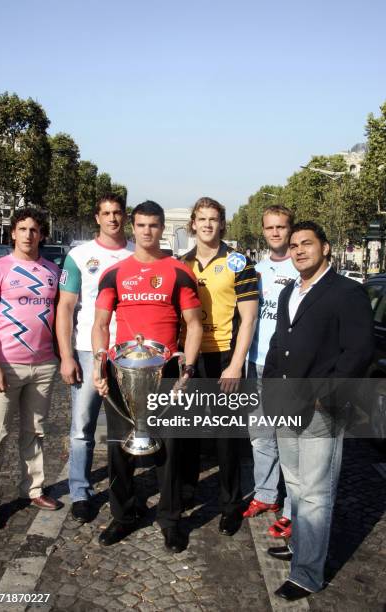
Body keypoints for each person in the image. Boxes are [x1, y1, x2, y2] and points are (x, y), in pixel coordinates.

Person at [264, 221, 374, 601]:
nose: (298, 250)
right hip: (286, 405)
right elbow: (279, 344)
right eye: (293, 245)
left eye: (306, 244)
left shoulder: (348, 292)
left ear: (326, 248)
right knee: (294, 486)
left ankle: (307, 574)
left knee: (315, 492)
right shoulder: (288, 292)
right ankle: (300, 548)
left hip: (321, 409)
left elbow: (359, 351)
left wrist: (322, 397)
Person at [92, 200, 202, 552]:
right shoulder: (114, 273)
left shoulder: (178, 271)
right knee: (118, 450)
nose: (147, 231)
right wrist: (99, 365)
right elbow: (99, 325)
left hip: (166, 372)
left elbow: (195, 324)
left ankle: (170, 521)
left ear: (161, 227)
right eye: (141, 225)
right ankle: (122, 515)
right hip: (123, 370)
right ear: (132, 227)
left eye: (154, 225)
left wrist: (188, 368)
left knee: (169, 448)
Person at [0, 207, 61, 530]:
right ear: (13, 233)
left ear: (42, 235)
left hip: (43, 365)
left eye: (35, 229)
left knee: (35, 432)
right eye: (23, 228)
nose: (29, 234)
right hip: (6, 365)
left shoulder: (53, 270)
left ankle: (34, 488)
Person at [180, 197, 258, 536]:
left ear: (222, 224)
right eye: (202, 219)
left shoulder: (239, 262)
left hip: (226, 357)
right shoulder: (180, 264)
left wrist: (237, 364)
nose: (208, 225)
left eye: (214, 219)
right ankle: (186, 493)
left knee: (227, 437)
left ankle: (230, 505)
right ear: (193, 224)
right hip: (192, 358)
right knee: (190, 434)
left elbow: (250, 317)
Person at [56, 194, 134, 524]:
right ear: (97, 217)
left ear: (125, 216)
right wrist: (66, 356)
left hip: (129, 353)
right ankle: (80, 491)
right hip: (89, 351)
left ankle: (124, 491)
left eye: (118, 213)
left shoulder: (136, 255)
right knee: (82, 426)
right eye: (106, 213)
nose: (113, 218)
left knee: (128, 428)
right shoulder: (78, 256)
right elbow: (64, 308)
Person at [243, 205, 297, 539]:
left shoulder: (303, 265)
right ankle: (266, 495)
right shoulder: (254, 269)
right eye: (270, 228)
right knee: (261, 437)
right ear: (262, 231)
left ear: (290, 229)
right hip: (255, 362)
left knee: (290, 441)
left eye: (281, 227)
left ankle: (293, 508)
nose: (275, 233)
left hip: (288, 369)